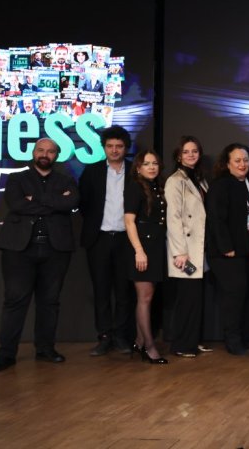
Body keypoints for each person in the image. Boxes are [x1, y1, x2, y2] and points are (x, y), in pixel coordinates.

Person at [0, 138, 80, 372]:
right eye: (41, 150)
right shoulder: (17, 178)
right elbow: (17, 205)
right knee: (15, 302)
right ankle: (6, 355)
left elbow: (71, 202)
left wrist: (36, 198)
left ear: (56, 156)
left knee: (49, 302)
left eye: (50, 151)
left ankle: (45, 349)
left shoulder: (67, 180)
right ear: (33, 152)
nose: (45, 154)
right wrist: (55, 202)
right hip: (19, 249)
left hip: (55, 249)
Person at [78, 125, 134, 356]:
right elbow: (84, 204)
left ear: (126, 148)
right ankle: (103, 337)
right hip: (99, 238)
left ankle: (120, 336)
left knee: (124, 291)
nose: (114, 150)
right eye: (110, 146)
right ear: (104, 147)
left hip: (126, 239)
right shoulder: (92, 171)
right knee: (101, 291)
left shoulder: (135, 171)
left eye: (119, 146)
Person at [205, 143, 249, 355]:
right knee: (234, 296)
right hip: (226, 253)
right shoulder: (220, 185)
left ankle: (242, 337)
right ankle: (232, 340)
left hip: (247, 251)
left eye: (245, 160)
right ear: (227, 163)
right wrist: (226, 247)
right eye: (237, 160)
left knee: (246, 295)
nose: (242, 164)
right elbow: (216, 220)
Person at [165, 136, 210, 358]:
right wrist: (179, 251)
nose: (191, 155)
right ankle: (182, 344)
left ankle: (193, 340)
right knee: (186, 299)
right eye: (186, 151)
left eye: (194, 151)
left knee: (196, 298)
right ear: (178, 155)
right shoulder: (175, 181)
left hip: (199, 248)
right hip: (185, 250)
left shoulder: (200, 179)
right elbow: (173, 218)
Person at [124, 150, 169, 364]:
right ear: (138, 168)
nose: (151, 167)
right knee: (145, 297)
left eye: (155, 163)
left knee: (148, 296)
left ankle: (139, 341)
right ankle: (149, 347)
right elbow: (129, 221)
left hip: (156, 246)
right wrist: (138, 251)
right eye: (146, 163)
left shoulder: (156, 187)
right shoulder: (135, 187)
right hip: (142, 247)